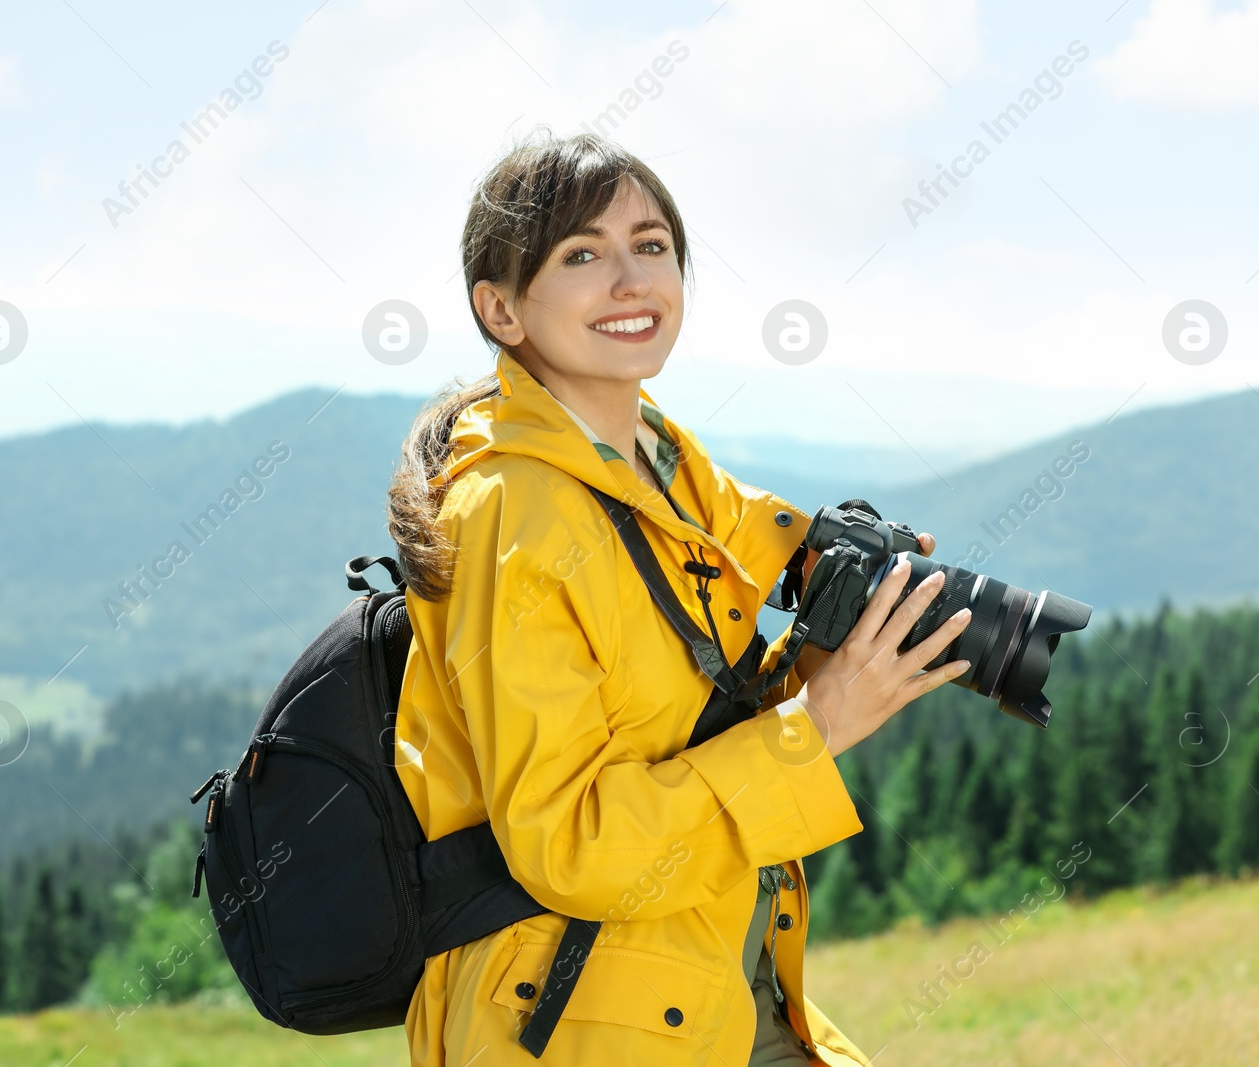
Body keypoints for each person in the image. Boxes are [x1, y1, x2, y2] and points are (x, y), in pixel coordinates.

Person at [386, 129, 972, 1066]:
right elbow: (571, 843)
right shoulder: (512, 510)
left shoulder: (662, 461)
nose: (631, 280)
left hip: (717, 986)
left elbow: (699, 722)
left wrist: (830, 659)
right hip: (576, 1022)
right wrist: (816, 725)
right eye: (581, 254)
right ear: (499, 308)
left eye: (651, 245)